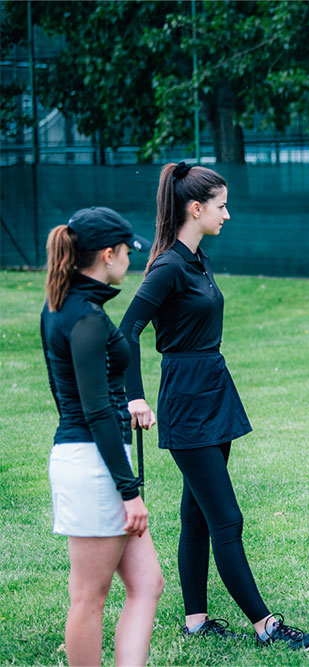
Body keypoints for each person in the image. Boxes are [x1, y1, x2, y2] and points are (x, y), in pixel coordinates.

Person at [118, 162, 309, 651]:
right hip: (187, 399)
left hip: (215, 389)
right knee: (227, 519)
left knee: (198, 514)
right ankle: (265, 626)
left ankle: (196, 621)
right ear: (196, 208)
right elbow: (126, 331)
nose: (227, 214)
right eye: (221, 205)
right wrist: (135, 395)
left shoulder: (197, 258)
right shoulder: (168, 265)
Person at [41, 207, 164, 665]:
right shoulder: (86, 317)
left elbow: (86, 390)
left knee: (148, 583)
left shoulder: (64, 305)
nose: (130, 262)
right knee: (89, 598)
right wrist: (129, 492)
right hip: (96, 465)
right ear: (108, 254)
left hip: (98, 456)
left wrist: (125, 402)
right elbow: (91, 411)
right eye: (126, 253)